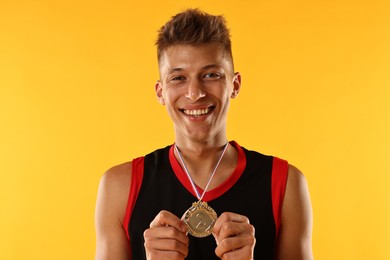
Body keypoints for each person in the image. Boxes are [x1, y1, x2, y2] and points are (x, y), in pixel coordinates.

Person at [95, 8, 313, 260]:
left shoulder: (285, 183)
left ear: (234, 84)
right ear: (160, 92)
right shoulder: (119, 186)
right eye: (178, 78)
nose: (195, 93)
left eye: (211, 75)